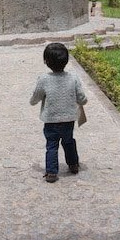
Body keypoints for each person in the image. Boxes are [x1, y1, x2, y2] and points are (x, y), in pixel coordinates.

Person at [30, 42, 88, 183]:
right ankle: (73, 165)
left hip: (51, 121)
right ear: (66, 60)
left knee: (51, 145)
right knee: (69, 141)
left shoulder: (43, 79)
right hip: (69, 120)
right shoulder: (73, 78)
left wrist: (32, 101)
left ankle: (51, 173)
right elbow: (82, 98)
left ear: (46, 61)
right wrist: (83, 101)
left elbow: (36, 96)